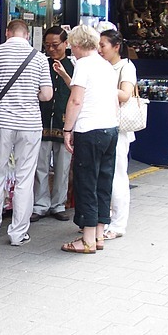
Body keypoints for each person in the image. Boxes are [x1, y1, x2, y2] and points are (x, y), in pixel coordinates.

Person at [0, 19, 53, 246]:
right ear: (27, 36)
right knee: (24, 178)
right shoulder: (39, 57)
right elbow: (47, 94)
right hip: (30, 124)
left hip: (0, 122)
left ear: (7, 33)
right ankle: (18, 234)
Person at [60, 24, 119, 254]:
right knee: (103, 182)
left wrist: (67, 129)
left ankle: (86, 239)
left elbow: (76, 101)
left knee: (86, 183)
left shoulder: (83, 65)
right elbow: (114, 100)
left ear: (76, 44)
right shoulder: (106, 66)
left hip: (90, 130)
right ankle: (99, 234)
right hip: (110, 128)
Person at [32, 26, 75, 223]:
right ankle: (40, 205)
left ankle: (58, 204)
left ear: (66, 44)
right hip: (40, 121)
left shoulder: (74, 66)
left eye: (55, 45)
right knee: (40, 166)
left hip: (65, 122)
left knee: (62, 166)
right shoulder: (41, 64)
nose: (51, 49)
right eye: (47, 45)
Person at [99, 29, 135, 240]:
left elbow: (125, 95)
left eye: (103, 45)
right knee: (105, 175)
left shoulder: (126, 67)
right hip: (104, 124)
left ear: (116, 46)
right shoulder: (103, 66)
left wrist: (102, 87)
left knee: (118, 176)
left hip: (120, 128)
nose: (100, 50)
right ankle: (104, 219)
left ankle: (118, 224)